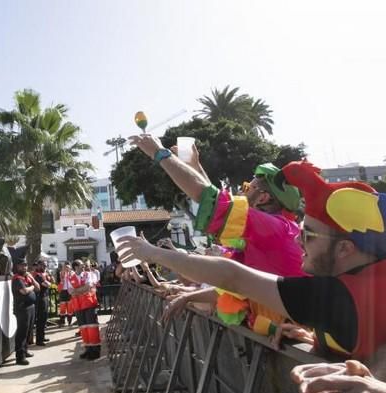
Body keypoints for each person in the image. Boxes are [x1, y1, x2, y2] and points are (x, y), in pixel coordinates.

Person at [116, 160, 386, 393]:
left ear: (345, 250)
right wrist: (319, 340)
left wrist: (153, 253)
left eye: (308, 234)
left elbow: (235, 277)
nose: (298, 240)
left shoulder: (339, 295)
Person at [128, 133, 304, 334]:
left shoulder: (273, 227)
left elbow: (213, 202)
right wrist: (195, 167)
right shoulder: (274, 228)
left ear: (263, 198)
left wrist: (160, 154)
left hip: (290, 345)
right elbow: (216, 201)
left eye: (248, 187)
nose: (243, 191)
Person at [69, 259, 101, 360]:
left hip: (89, 303)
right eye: (81, 265)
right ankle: (88, 349)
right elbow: (71, 292)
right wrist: (80, 290)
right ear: (75, 267)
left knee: (92, 327)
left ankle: (95, 350)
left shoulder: (89, 274)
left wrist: (77, 290)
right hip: (78, 306)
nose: (84, 267)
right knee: (83, 328)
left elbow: (88, 287)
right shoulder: (70, 278)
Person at [11, 257, 40, 365]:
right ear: (17, 267)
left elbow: (38, 288)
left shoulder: (27, 277)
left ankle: (25, 350)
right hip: (22, 308)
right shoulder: (17, 278)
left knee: (28, 331)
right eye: (22, 265)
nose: (24, 267)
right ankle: (20, 357)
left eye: (25, 265)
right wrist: (31, 287)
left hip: (30, 307)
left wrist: (32, 278)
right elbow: (24, 291)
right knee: (22, 333)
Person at [32, 259, 53, 346]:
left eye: (46, 265)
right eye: (43, 265)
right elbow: (47, 284)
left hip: (45, 297)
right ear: (39, 265)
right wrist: (48, 282)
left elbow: (52, 281)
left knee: (44, 319)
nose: (45, 267)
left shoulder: (43, 274)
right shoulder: (37, 275)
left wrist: (49, 280)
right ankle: (39, 340)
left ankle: (42, 336)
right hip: (40, 298)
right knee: (41, 319)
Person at [57, 262, 74, 327]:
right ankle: (62, 322)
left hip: (70, 291)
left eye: (67, 267)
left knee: (70, 307)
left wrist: (69, 272)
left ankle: (69, 322)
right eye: (65, 267)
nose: (66, 268)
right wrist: (63, 274)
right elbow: (58, 281)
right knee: (62, 307)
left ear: (70, 267)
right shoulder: (61, 273)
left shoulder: (72, 273)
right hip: (63, 291)